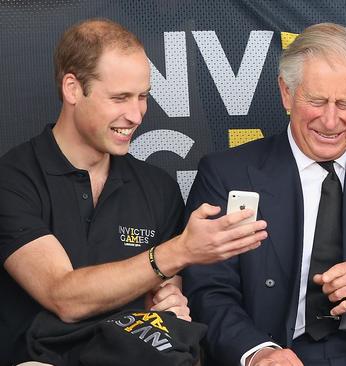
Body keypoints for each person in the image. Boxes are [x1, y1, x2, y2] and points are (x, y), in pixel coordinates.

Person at [0, 18, 267, 365]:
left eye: (143, 97)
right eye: (120, 98)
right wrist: (178, 251)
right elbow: (64, 297)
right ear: (72, 88)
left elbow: (163, 293)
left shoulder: (157, 187)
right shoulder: (14, 177)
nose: (137, 114)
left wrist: (170, 303)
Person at [183, 22, 346, 366]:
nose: (330, 121)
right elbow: (208, 291)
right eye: (316, 101)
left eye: (345, 103)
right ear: (286, 93)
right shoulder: (227, 175)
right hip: (274, 353)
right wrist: (256, 353)